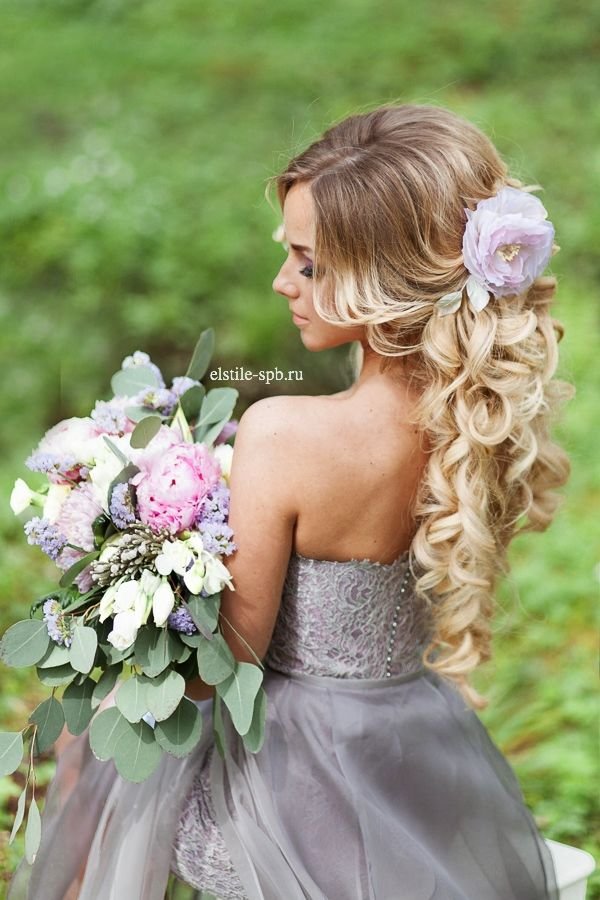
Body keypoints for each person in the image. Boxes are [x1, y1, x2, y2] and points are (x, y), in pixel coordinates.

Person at [10, 103, 571, 900]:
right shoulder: (476, 425)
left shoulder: (284, 434)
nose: (283, 283)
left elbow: (225, 663)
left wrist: (132, 603)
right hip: (412, 750)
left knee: (88, 761)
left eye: (308, 265)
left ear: (385, 276)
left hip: (289, 775)